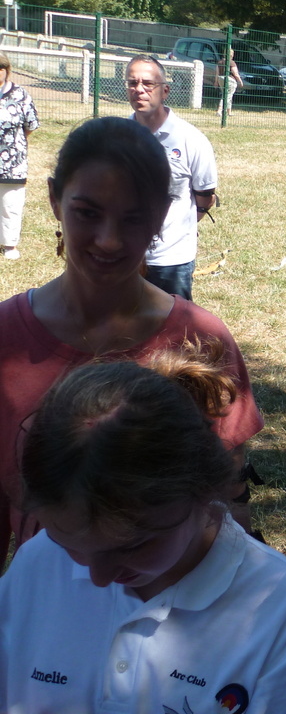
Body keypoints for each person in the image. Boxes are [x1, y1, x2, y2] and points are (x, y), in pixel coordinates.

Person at [0, 348, 286, 713]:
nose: (98, 577)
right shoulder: (38, 564)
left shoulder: (274, 604)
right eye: (69, 544)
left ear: (203, 491)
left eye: (132, 546)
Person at [0, 117, 263, 563]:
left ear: (161, 215)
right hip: (49, 595)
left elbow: (227, 493)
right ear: (54, 199)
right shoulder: (7, 336)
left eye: (134, 217)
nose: (108, 240)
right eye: (88, 213)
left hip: (174, 597)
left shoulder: (200, 340)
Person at [127, 54, 218, 301]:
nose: (139, 89)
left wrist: (177, 229)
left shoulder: (191, 140)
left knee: (173, 325)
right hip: (124, 256)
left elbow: (205, 198)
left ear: (165, 91)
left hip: (172, 261)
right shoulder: (118, 137)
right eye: (133, 83)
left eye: (148, 83)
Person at [0, 52, 39, 262]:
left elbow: (30, 125)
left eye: (0, 68)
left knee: (10, 204)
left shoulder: (20, 95)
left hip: (12, 163)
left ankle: (10, 244)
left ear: (7, 70)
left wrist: (14, 145)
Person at [215, 47, 244, 116]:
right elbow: (235, 73)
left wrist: (216, 82)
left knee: (228, 95)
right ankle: (219, 110)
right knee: (227, 96)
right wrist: (240, 81)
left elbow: (217, 73)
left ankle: (229, 112)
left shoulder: (219, 62)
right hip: (230, 80)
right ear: (231, 55)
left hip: (220, 79)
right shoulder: (232, 63)